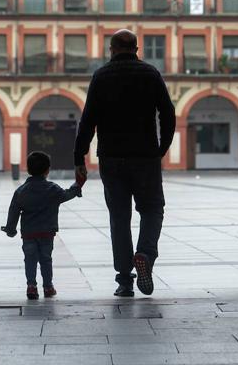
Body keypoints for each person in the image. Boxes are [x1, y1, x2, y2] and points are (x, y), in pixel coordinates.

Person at [74, 29, 175, 298]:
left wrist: (79, 158)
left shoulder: (101, 76)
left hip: (111, 157)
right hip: (145, 157)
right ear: (137, 49)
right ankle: (144, 254)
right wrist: (161, 149)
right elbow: (168, 113)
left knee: (119, 217)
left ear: (112, 49)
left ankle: (124, 280)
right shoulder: (151, 73)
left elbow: (88, 121)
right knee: (152, 209)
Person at [1, 150, 82, 299]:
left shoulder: (21, 191)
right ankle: (48, 287)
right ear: (47, 170)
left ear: (28, 169)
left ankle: (31, 287)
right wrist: (77, 186)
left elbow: (13, 210)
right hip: (46, 233)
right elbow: (66, 195)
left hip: (29, 234)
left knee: (30, 259)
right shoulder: (52, 188)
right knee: (46, 259)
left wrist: (11, 229)